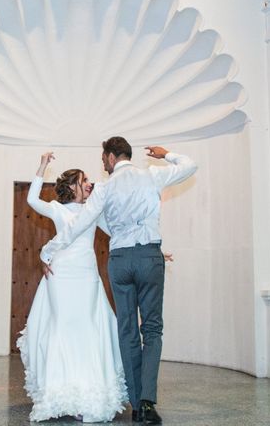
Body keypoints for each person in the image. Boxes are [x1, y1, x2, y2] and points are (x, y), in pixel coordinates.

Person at [40, 137, 197, 425]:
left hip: (120, 261)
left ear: (112, 157)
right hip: (149, 257)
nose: (102, 164)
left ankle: (136, 404)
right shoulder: (151, 176)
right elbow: (190, 165)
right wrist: (167, 155)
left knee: (127, 331)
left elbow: (79, 226)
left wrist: (47, 250)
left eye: (103, 159)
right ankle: (147, 403)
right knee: (151, 329)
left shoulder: (104, 189)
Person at [17, 152, 128, 423]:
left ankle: (87, 394)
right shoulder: (56, 208)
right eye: (85, 180)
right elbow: (32, 200)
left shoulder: (94, 210)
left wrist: (154, 247)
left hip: (87, 275)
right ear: (72, 187)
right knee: (62, 328)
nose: (90, 183)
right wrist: (42, 164)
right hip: (61, 274)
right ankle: (60, 394)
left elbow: (118, 231)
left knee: (88, 328)